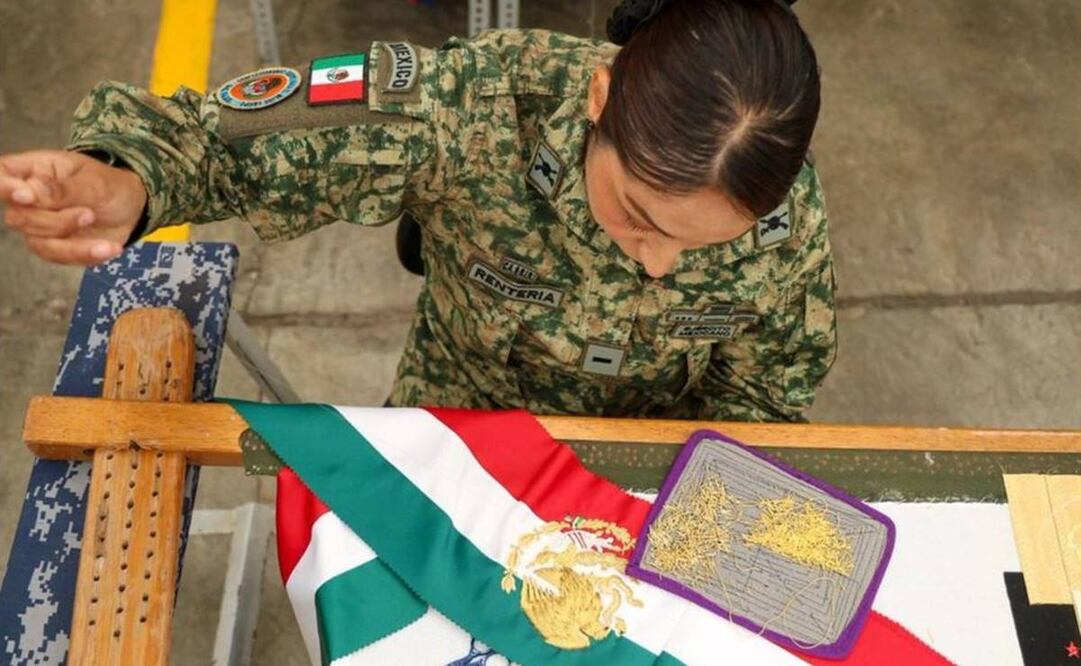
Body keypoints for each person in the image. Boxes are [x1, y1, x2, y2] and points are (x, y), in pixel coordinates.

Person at [0, 0, 835, 421]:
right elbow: (218, 141)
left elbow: (766, 393)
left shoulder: (783, 217)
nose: (655, 262)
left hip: (651, 465)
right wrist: (129, 180)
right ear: (597, 97)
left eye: (699, 246)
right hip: (460, 425)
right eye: (640, 217)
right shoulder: (471, 107)